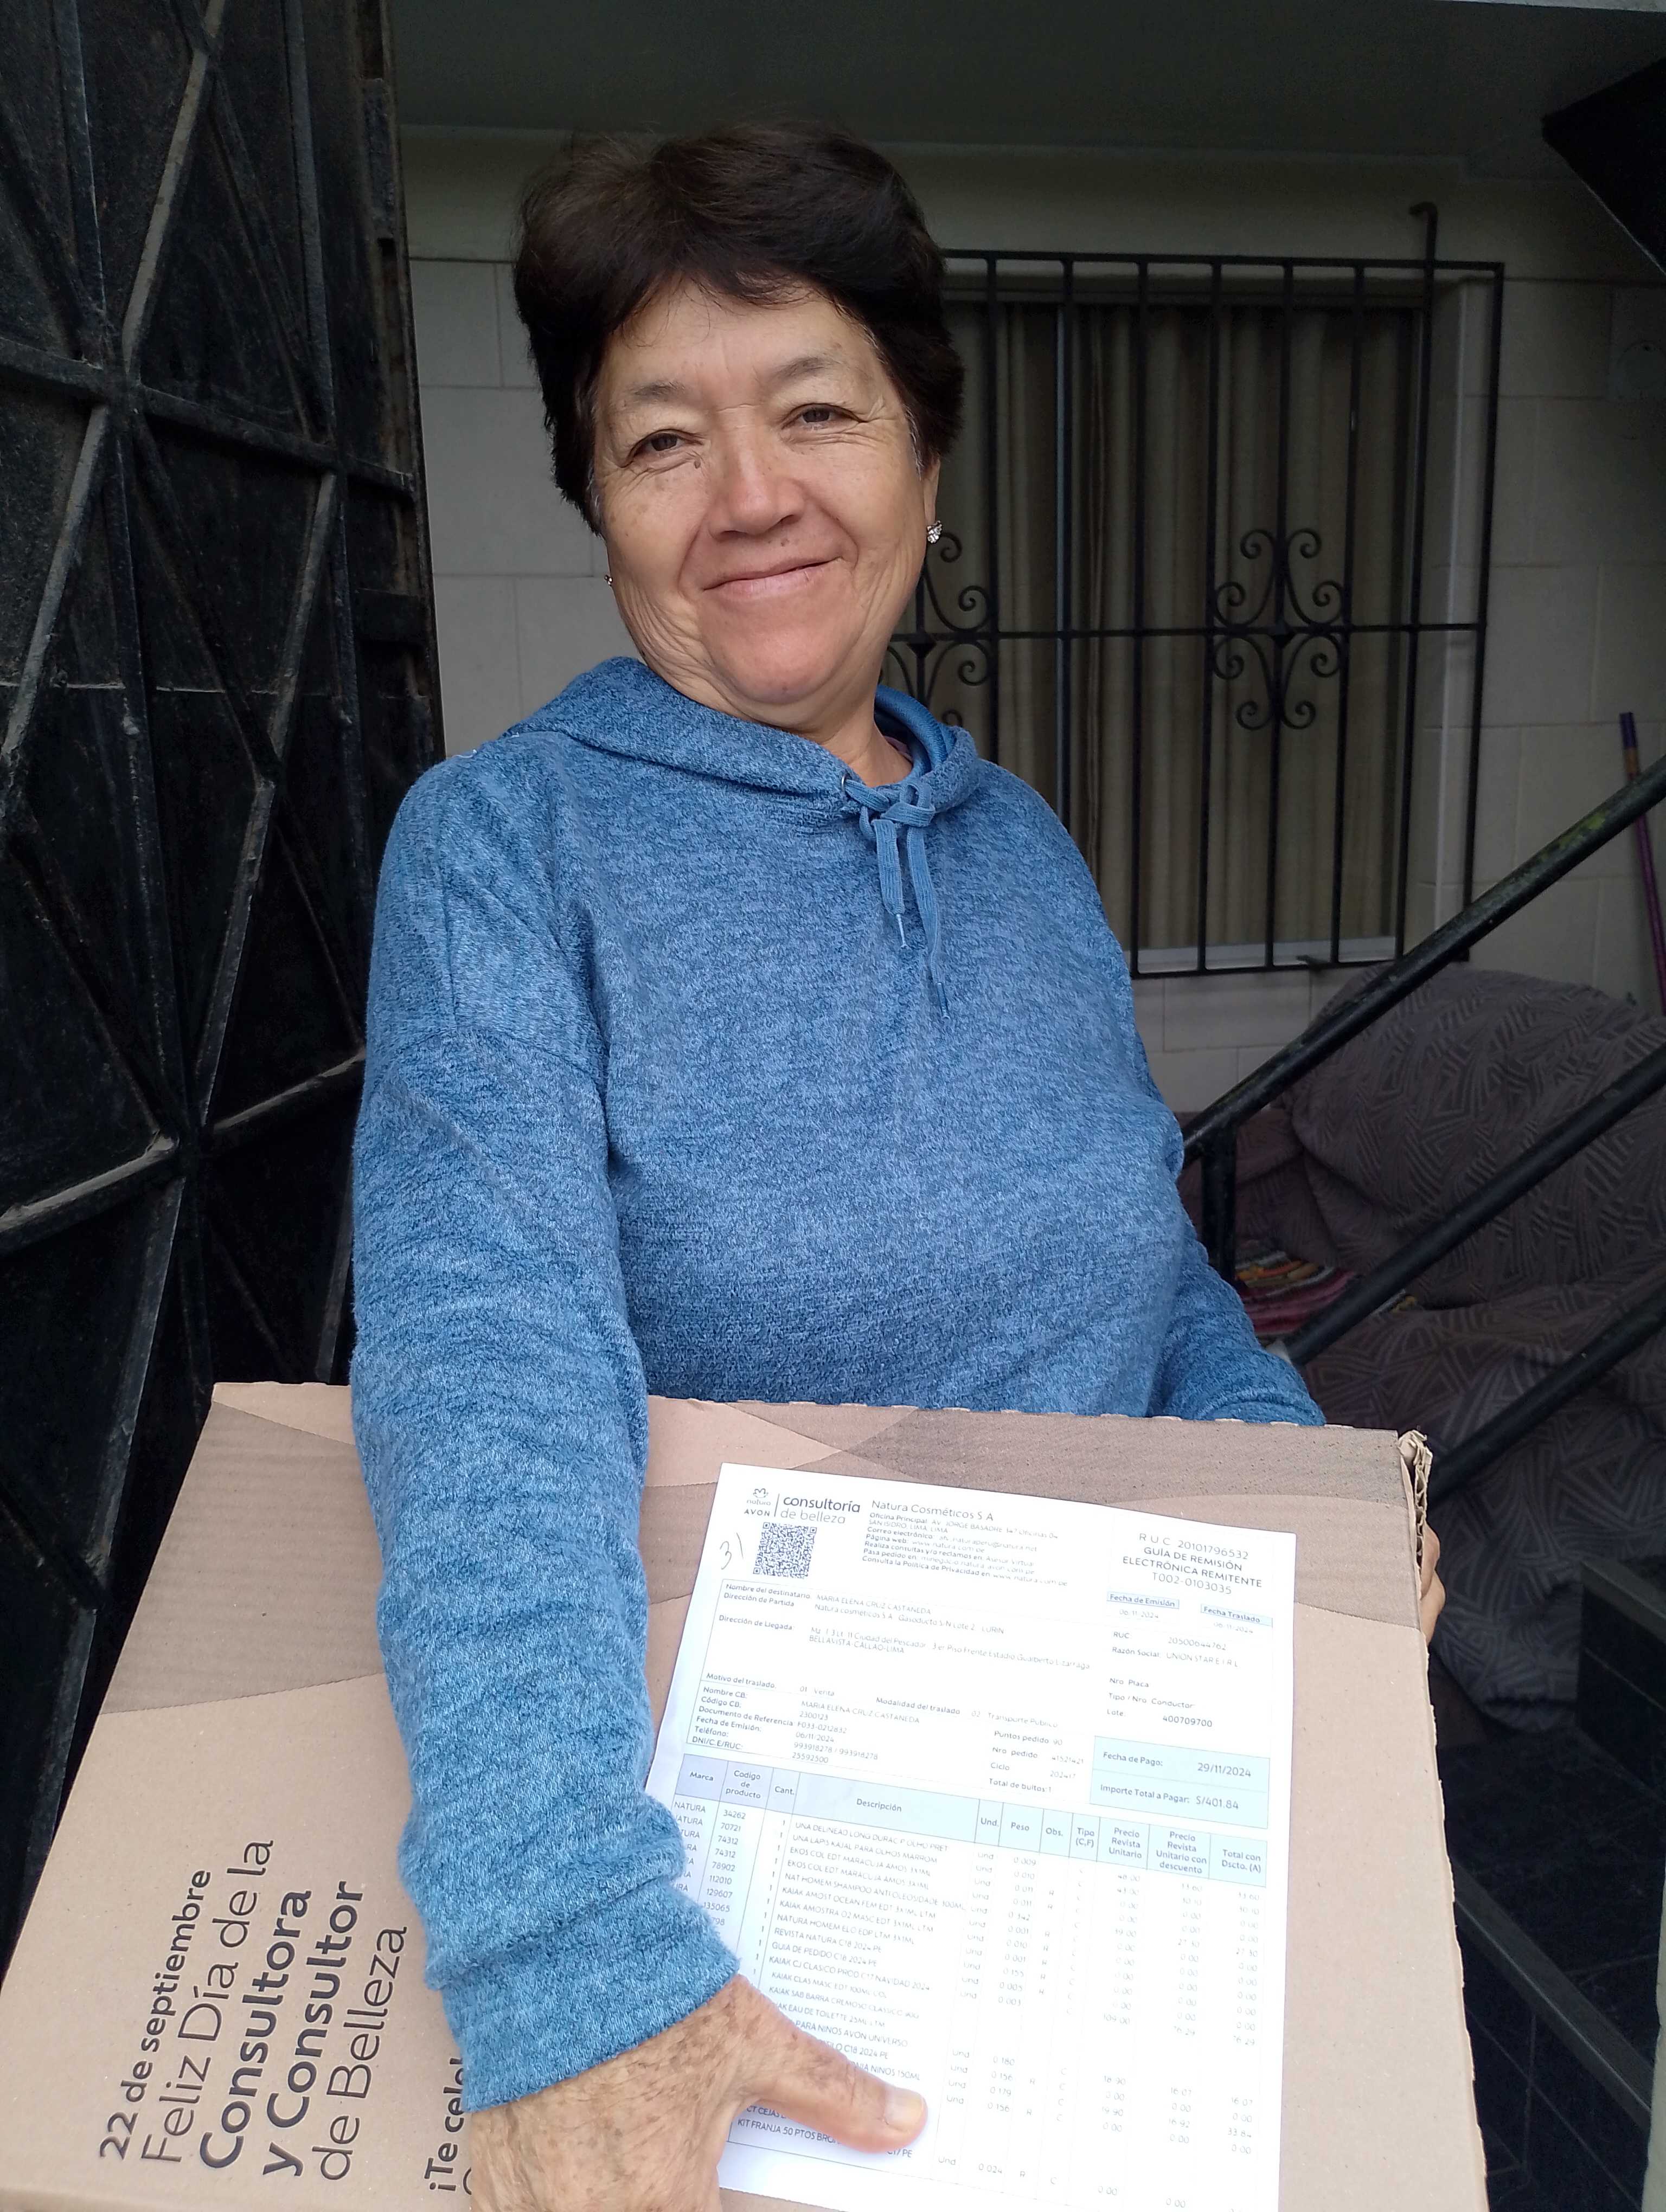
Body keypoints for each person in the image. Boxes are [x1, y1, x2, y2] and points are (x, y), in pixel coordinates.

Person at [351, 123, 1441, 2212]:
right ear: (598, 505)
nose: (750, 495)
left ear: (927, 468)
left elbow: (1148, 1270)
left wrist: (1296, 1482)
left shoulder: (1022, 851)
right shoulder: (504, 851)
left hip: (1100, 1828)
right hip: (749, 1890)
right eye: (662, 440)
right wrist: (575, 1962)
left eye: (818, 412)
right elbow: (488, 1385)